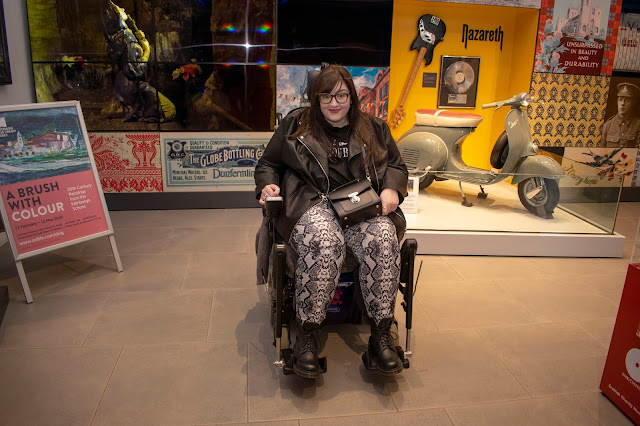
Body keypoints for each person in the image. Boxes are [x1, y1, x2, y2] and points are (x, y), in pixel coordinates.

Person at [254, 64, 409, 378]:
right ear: (315, 98)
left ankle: (381, 334)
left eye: (340, 95)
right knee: (325, 241)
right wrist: (267, 185)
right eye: (326, 96)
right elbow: (268, 163)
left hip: (359, 205)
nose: (334, 103)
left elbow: (396, 165)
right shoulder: (296, 125)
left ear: (351, 96)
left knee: (382, 236)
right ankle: (308, 336)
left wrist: (392, 187)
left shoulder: (374, 128)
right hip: (311, 202)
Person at [601, 82, 640, 148]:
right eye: (620, 100)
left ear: (632, 104)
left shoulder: (638, 125)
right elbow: (602, 151)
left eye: (627, 100)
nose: (622, 103)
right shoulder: (607, 125)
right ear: (617, 102)